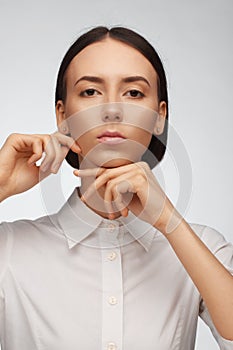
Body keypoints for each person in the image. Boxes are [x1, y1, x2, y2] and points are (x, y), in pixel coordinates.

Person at [0, 26, 232, 350]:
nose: (111, 109)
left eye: (134, 93)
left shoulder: (203, 247)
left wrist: (169, 222)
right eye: (91, 92)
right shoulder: (8, 249)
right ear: (62, 115)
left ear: (159, 117)